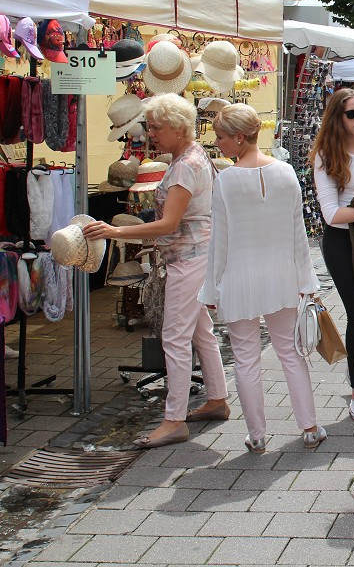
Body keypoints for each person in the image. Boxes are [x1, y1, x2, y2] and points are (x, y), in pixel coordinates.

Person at [83, 93, 228, 449]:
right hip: (196, 255)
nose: (151, 133)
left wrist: (116, 231)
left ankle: (174, 419)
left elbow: (168, 224)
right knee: (199, 332)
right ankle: (217, 399)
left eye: (157, 127)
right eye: (149, 126)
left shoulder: (184, 166)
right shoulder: (193, 158)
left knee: (175, 338)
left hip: (189, 259)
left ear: (179, 129)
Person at [199, 104, 325, 452]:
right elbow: (297, 233)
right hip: (282, 274)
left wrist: (211, 287)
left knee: (245, 358)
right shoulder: (285, 173)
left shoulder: (225, 180)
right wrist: (306, 281)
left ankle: (257, 435)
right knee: (290, 352)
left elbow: (218, 242)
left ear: (239, 137)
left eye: (221, 137)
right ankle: (310, 426)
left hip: (239, 278)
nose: (218, 143)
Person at [311, 88, 354, 422]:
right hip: (342, 244)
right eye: (350, 113)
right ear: (336, 117)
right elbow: (330, 214)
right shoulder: (326, 153)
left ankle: (353, 354)